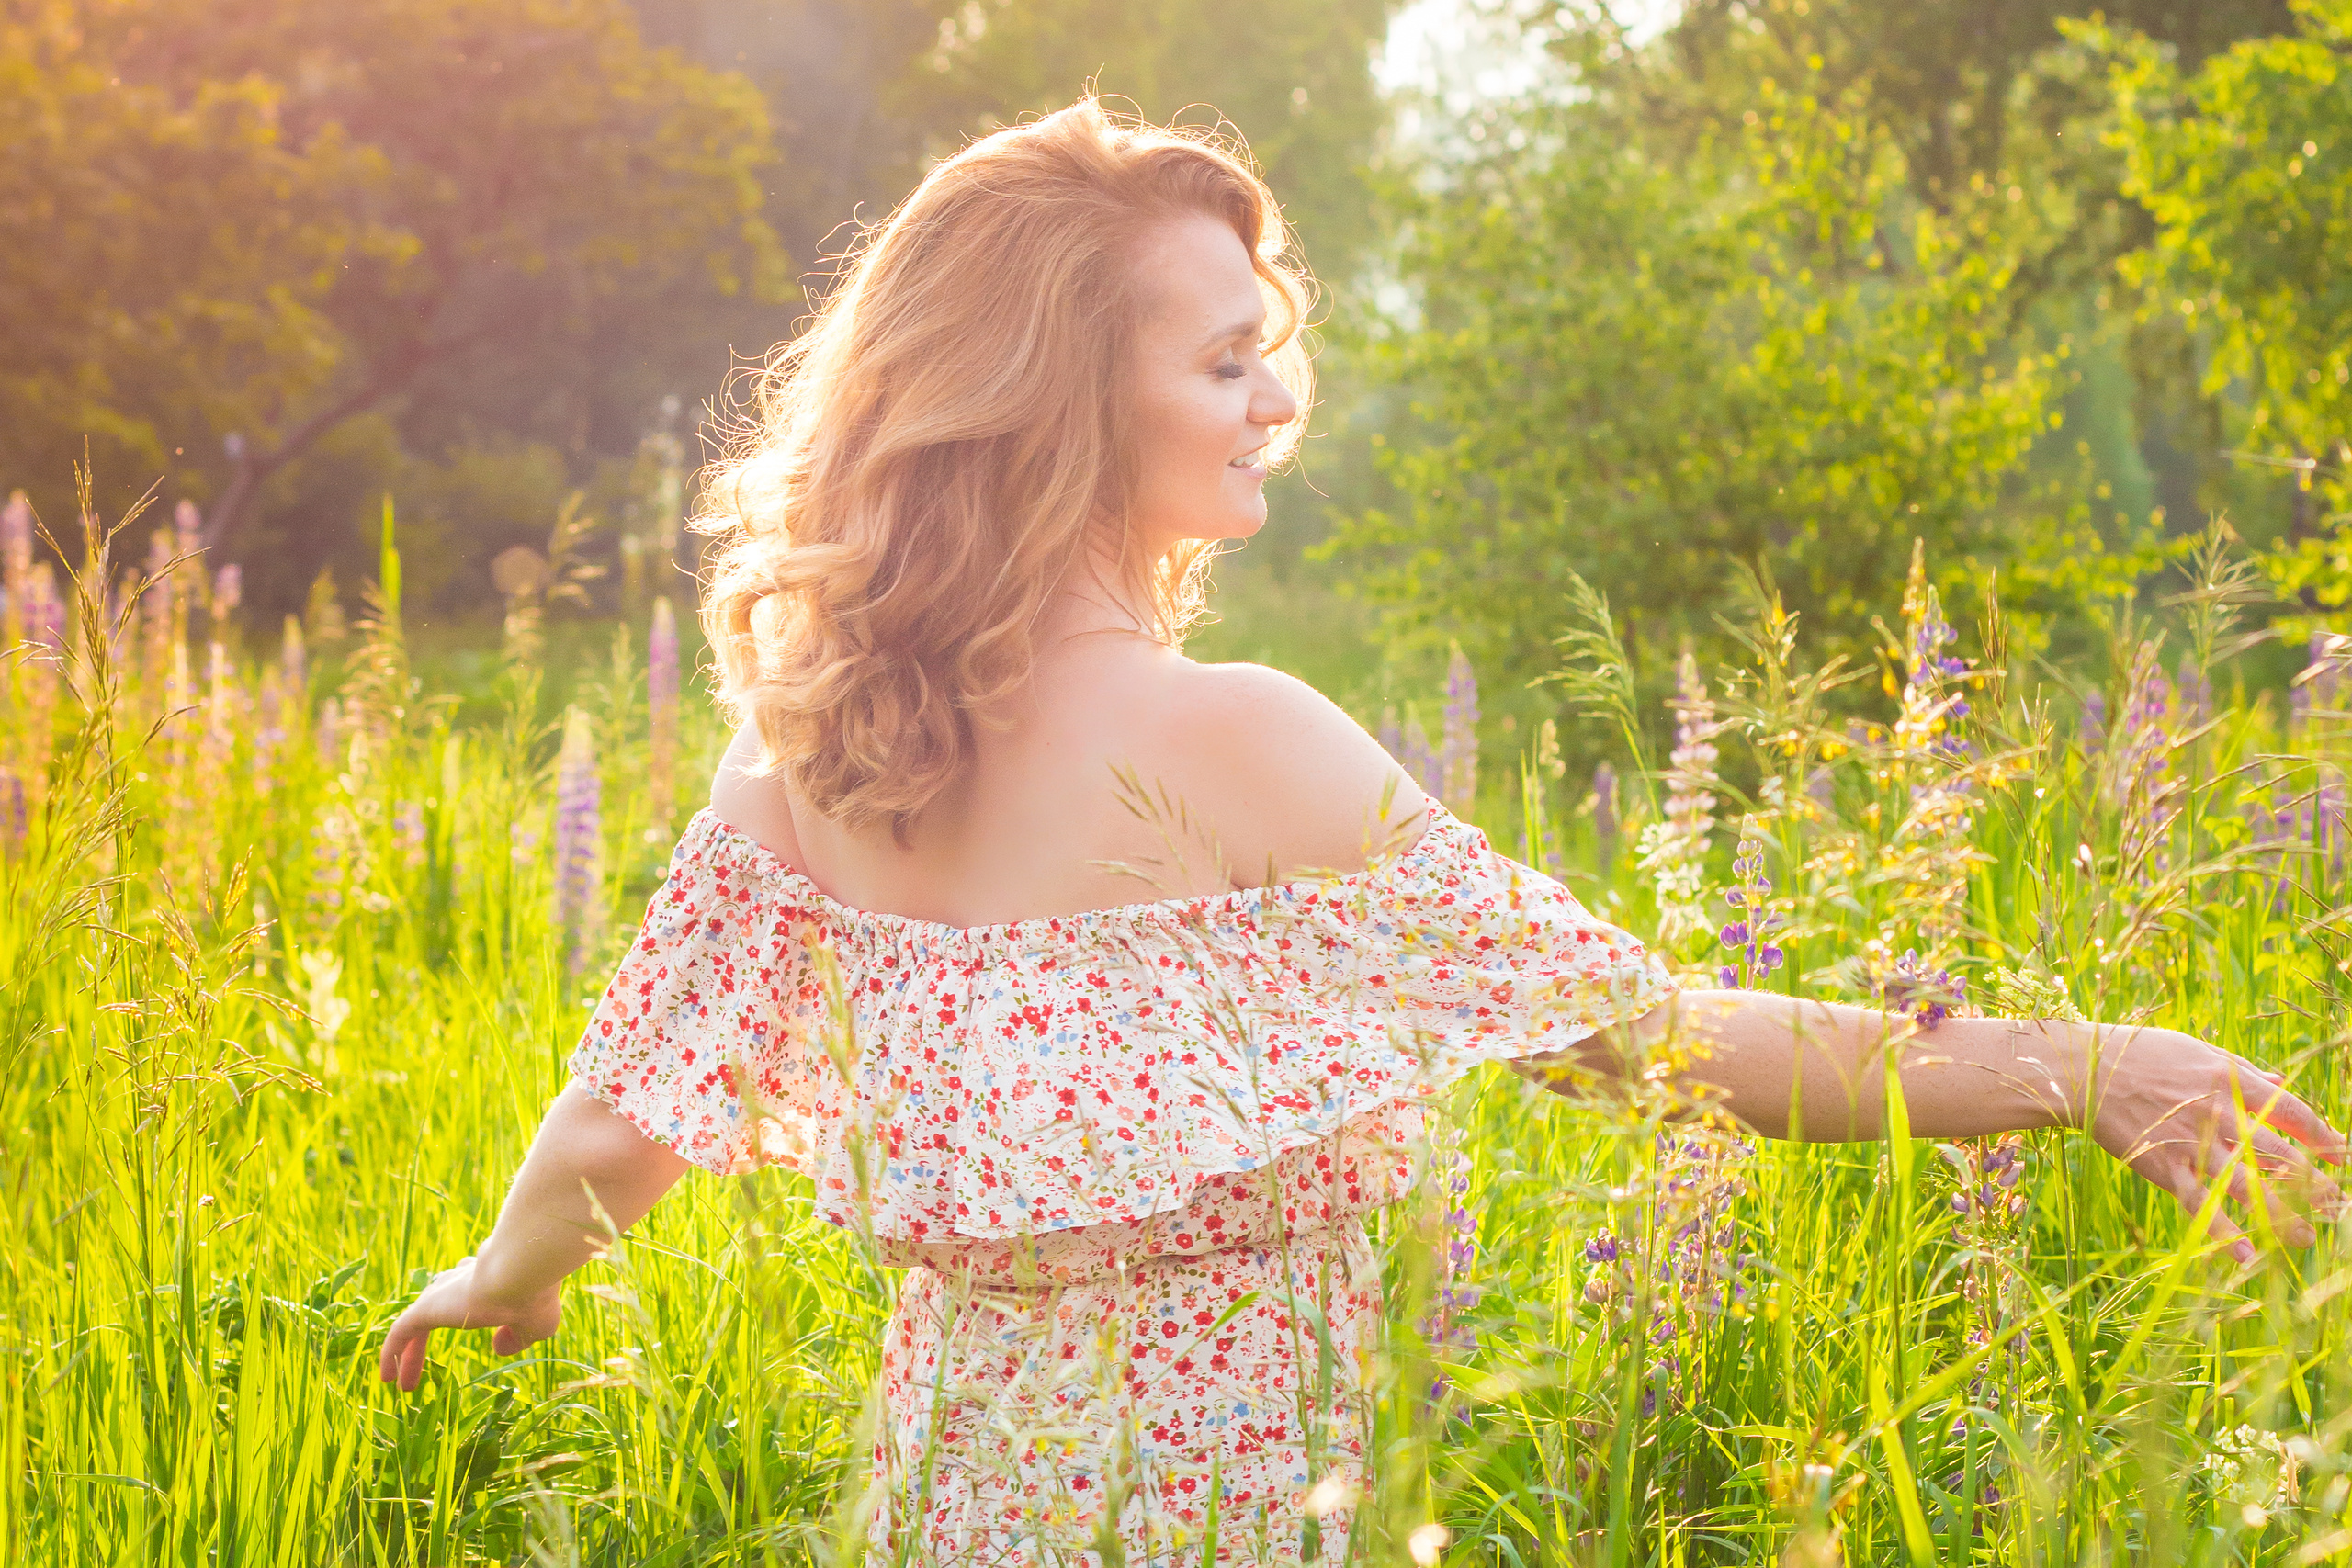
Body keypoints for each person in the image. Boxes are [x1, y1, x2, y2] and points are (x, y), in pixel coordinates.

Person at [379, 98, 2346, 1563]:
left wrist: (502, 1274)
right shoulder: (1237, 743)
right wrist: (2094, 1068)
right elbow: (1670, 1047)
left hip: (940, 1516)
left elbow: (624, 1121)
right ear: (1062, 399)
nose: (1272, 400)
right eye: (1219, 359)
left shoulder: (801, 773)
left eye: (1269, 345)